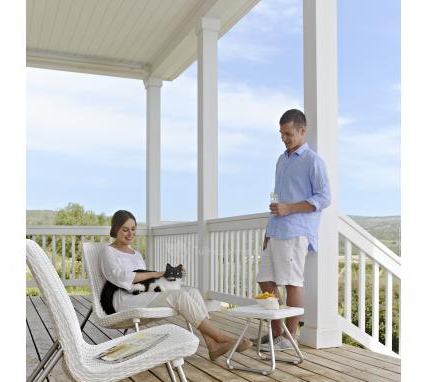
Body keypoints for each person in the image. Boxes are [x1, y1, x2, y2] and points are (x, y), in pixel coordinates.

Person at [100, 210, 252, 360]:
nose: (130, 234)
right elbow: (119, 277)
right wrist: (156, 274)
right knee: (179, 296)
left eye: (133, 229)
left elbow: (144, 279)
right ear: (116, 229)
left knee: (192, 292)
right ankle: (222, 338)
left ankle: (212, 345)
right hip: (124, 300)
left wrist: (167, 275)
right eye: (125, 229)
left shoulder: (136, 254)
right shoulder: (109, 251)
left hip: (143, 294)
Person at [256, 109, 331, 351]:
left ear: (302, 130)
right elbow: (278, 198)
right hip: (276, 230)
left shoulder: (313, 161)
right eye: (281, 134)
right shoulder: (282, 160)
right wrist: (268, 230)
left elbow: (324, 197)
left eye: (288, 134)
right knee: (265, 280)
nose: (284, 138)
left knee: (291, 282)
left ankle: (289, 338)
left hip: (296, 231)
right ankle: (277, 333)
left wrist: (290, 208)